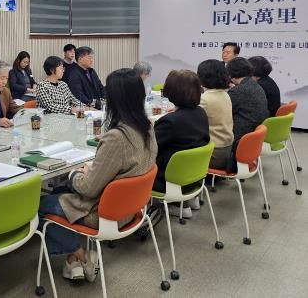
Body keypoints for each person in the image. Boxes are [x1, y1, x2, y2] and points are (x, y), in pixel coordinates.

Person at [38, 68, 157, 282]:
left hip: (104, 213)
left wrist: (75, 173)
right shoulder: (147, 127)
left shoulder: (117, 138)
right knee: (58, 192)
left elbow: (87, 188)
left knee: (39, 205)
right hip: (131, 208)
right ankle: (72, 262)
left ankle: (80, 254)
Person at [153, 70, 210, 218]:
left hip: (168, 180)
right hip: (195, 177)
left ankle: (177, 205)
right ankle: (189, 200)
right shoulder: (201, 113)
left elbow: (149, 148)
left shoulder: (170, 121)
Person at [227, 57, 269, 166]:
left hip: (237, 139)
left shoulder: (238, 91)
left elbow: (222, 111)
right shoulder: (256, 85)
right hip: (252, 137)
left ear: (231, 73)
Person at [197, 60, 234, 170]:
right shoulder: (225, 94)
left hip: (213, 154)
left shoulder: (205, 99)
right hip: (227, 149)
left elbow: (187, 119)